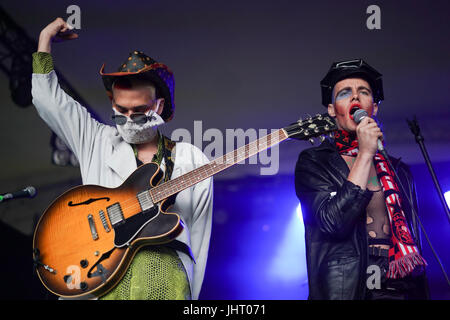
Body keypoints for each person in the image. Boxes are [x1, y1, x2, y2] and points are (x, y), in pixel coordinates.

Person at [31, 18, 213, 300]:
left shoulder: (191, 158)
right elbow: (48, 101)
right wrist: (44, 41)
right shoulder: (96, 139)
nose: (128, 120)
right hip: (103, 280)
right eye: (120, 110)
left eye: (139, 111)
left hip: (166, 283)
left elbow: (199, 241)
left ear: (159, 105)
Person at [294, 59, 429, 300]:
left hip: (403, 285)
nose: (355, 98)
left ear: (373, 107)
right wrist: (366, 153)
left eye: (363, 92)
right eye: (345, 93)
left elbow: (416, 238)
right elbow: (332, 223)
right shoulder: (315, 162)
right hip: (350, 287)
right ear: (332, 109)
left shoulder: (399, 170)